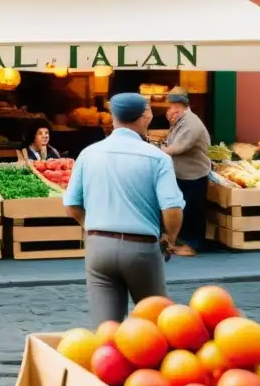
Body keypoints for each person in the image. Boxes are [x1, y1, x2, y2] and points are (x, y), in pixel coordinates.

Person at [63, 92, 185, 326]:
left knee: (106, 329)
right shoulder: (157, 158)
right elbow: (172, 209)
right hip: (141, 248)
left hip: (98, 247)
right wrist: (170, 239)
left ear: (112, 117)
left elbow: (71, 205)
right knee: (155, 326)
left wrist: (88, 227)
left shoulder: (88, 154)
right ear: (145, 116)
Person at [161, 87, 212, 257]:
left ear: (182, 106)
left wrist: (159, 151)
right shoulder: (180, 120)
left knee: (193, 210)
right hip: (182, 174)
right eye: (171, 105)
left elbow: (180, 147)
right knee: (184, 208)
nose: (171, 109)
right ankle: (180, 241)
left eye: (174, 105)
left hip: (194, 174)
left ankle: (193, 245)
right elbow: (172, 141)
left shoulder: (192, 123)